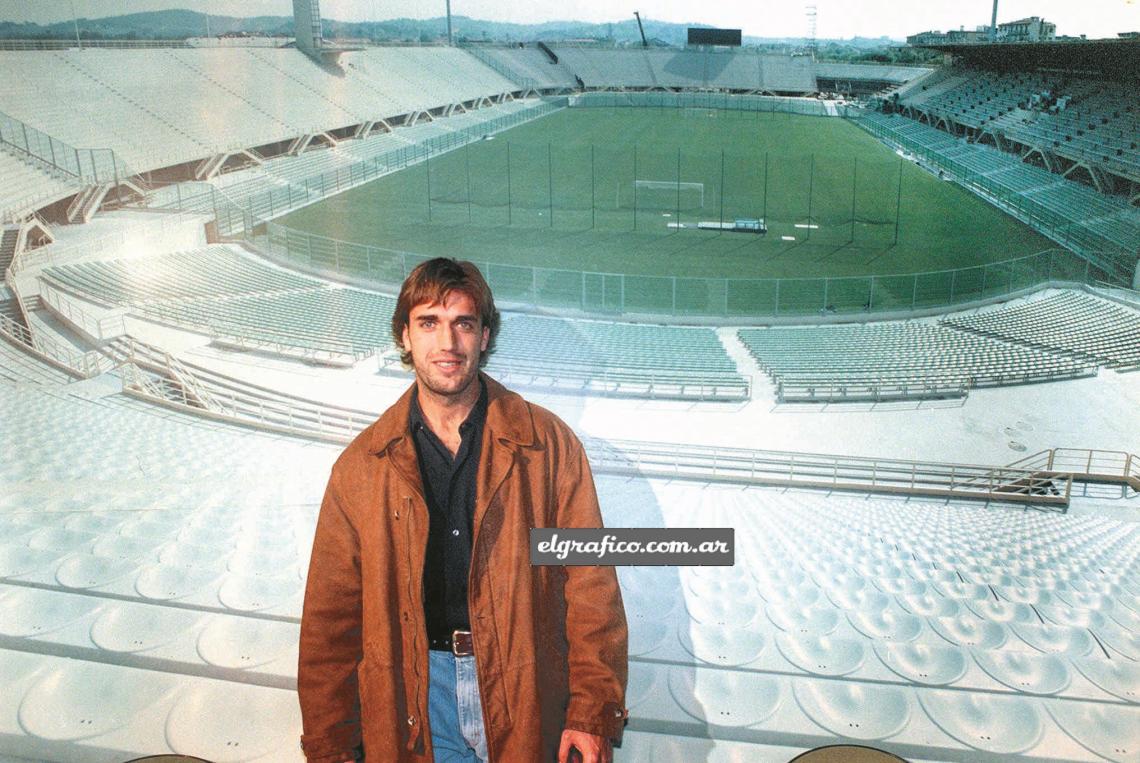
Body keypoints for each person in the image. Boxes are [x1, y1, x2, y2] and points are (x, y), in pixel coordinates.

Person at [298, 258, 628, 763]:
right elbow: (331, 623)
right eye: (428, 323)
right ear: (404, 337)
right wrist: (330, 745)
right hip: (416, 697)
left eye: (463, 323)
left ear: (484, 335)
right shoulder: (361, 467)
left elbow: (590, 588)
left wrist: (590, 712)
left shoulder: (549, 446)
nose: (447, 343)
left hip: (526, 689)